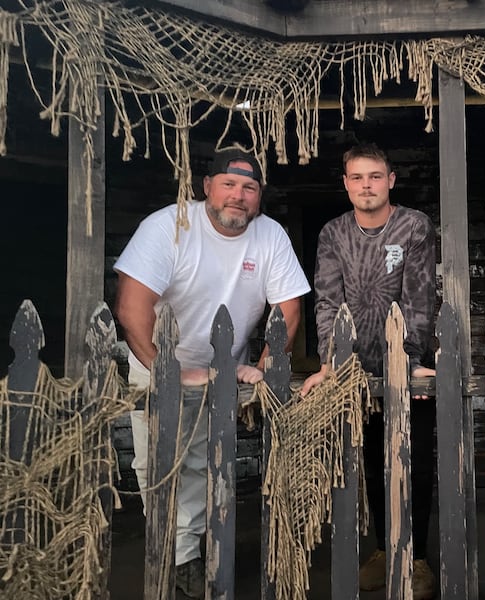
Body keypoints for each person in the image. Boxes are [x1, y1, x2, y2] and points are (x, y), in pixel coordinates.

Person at [114, 148, 311, 598]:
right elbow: (131, 308)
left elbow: (289, 309)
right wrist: (171, 372)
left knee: (203, 464)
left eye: (249, 188)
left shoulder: (270, 236)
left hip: (224, 370)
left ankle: (189, 554)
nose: (238, 196)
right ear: (207, 187)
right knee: (158, 463)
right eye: (229, 184)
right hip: (156, 362)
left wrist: (264, 367)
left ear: (259, 196)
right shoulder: (167, 226)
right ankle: (174, 552)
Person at [300, 142, 437, 600]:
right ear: (345, 184)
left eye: (375, 176)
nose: (366, 186)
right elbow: (326, 301)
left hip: (405, 361)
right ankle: (383, 550)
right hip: (355, 370)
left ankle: (417, 559)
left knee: (413, 460)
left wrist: (412, 361)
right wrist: (331, 363)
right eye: (357, 178)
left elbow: (418, 297)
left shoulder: (413, 226)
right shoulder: (333, 233)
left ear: (391, 180)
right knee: (372, 461)